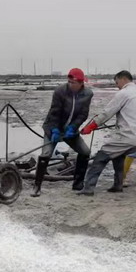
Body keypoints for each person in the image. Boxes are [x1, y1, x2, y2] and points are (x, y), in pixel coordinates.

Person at [77, 71, 136, 195]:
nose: (117, 86)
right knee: (118, 156)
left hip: (126, 136)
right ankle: (118, 185)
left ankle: (88, 188)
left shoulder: (123, 93)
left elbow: (107, 113)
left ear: (123, 79)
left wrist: (91, 126)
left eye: (117, 83)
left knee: (100, 157)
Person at [37, 68, 93, 196]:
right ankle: (37, 186)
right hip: (53, 128)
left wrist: (73, 127)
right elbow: (54, 112)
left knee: (85, 152)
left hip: (70, 131)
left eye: (73, 82)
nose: (70, 84)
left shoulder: (88, 94)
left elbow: (83, 114)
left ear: (81, 83)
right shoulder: (60, 91)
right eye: (69, 82)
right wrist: (55, 130)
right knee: (46, 154)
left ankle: (78, 183)